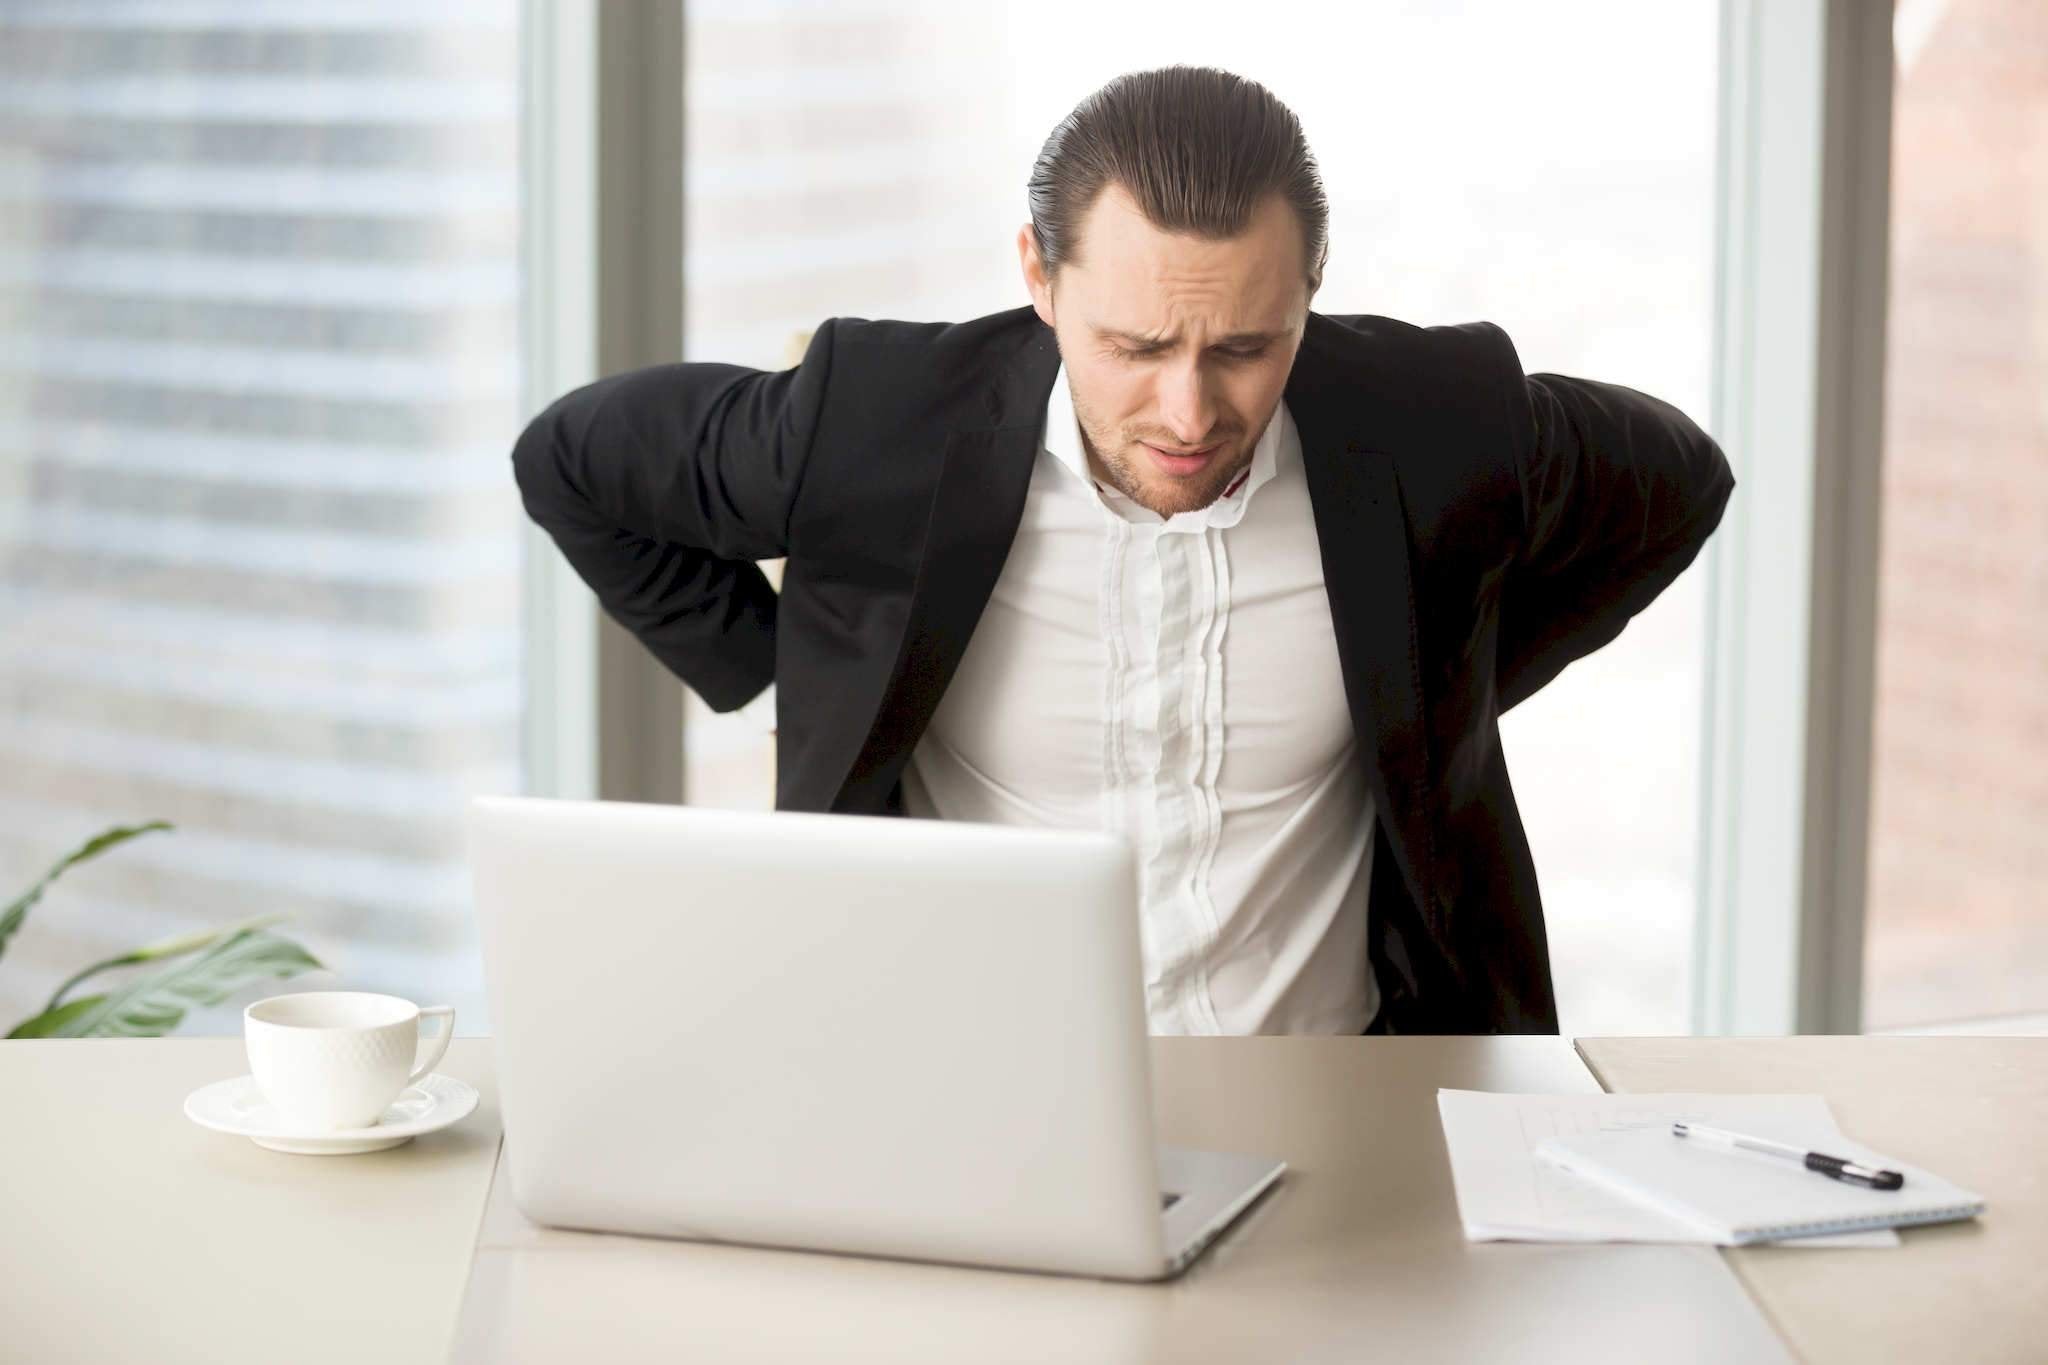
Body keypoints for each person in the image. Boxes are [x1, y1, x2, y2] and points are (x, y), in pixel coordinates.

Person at [511, 66, 1734, 1038]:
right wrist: (781, 668)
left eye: (1245, 347)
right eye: (1135, 348)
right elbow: (571, 463)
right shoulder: (872, 422)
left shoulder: (1435, 421)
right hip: (963, 1090)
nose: (1188, 414)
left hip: (1343, 1101)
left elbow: (1679, 481)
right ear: (1038, 278)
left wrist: (1444, 683)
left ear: (1310, 286)